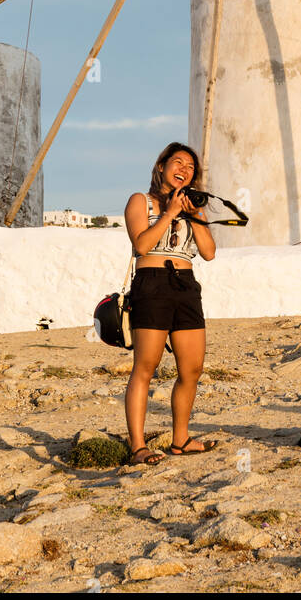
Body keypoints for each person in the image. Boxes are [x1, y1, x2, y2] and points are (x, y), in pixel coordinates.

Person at [123, 142, 219, 466]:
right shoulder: (141, 201)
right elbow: (142, 244)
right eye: (178, 163)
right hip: (152, 284)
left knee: (191, 369)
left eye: (191, 167)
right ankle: (138, 446)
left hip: (186, 286)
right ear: (162, 166)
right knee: (145, 368)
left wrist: (195, 215)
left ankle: (181, 439)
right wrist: (169, 214)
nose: (184, 170)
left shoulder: (193, 208)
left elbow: (208, 252)